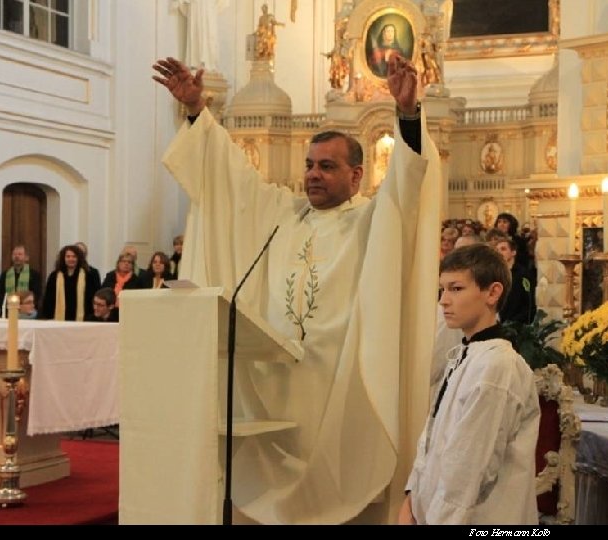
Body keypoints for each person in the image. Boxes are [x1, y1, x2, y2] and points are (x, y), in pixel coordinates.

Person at [152, 53, 441, 524]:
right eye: (309, 165)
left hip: (342, 384)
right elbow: (229, 179)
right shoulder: (280, 215)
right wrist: (196, 110)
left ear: (356, 176)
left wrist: (408, 114)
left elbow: (407, 187)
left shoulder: (372, 220)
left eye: (327, 166)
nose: (312, 174)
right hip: (278, 386)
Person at [399, 244, 540, 525]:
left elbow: (469, 469)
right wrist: (412, 498)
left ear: (492, 292)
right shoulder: (465, 354)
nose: (443, 301)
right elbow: (432, 439)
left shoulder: (497, 366)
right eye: (442, 289)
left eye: (456, 288)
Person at [42, 245, 99, 321]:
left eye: (74, 256)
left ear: (79, 258)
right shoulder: (54, 276)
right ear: (63, 258)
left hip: (84, 318)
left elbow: (92, 297)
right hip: (58, 318)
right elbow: (48, 299)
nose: (71, 259)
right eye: (68, 256)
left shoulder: (88, 276)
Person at [0, 244, 43, 316]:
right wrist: (8, 307)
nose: (17, 256)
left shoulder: (34, 275)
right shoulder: (5, 275)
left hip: (28, 311)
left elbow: (37, 293)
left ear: (26, 258)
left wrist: (24, 306)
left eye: (20, 254)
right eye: (14, 254)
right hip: (8, 310)